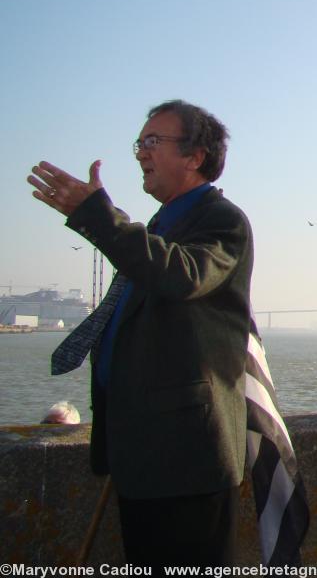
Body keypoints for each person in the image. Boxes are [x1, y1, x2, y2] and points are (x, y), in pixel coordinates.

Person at [29, 100, 252, 569]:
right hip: (144, 455)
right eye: (140, 142)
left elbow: (181, 275)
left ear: (194, 156)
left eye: (154, 141)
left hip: (187, 460)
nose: (140, 153)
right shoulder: (161, 225)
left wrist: (98, 216)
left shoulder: (222, 221)